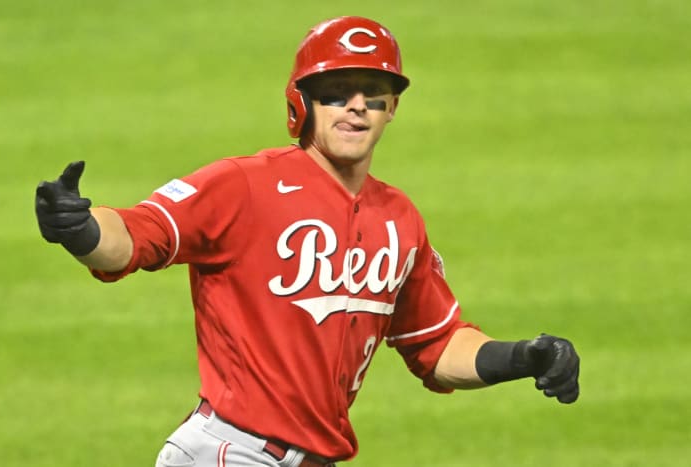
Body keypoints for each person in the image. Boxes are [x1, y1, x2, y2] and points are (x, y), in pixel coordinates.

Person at [35, 16, 580, 467]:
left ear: (393, 107)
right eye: (336, 94)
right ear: (303, 105)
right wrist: (80, 229)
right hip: (230, 453)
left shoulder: (400, 218)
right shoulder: (244, 185)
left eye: (374, 94)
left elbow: (435, 345)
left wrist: (523, 357)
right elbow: (137, 234)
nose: (356, 106)